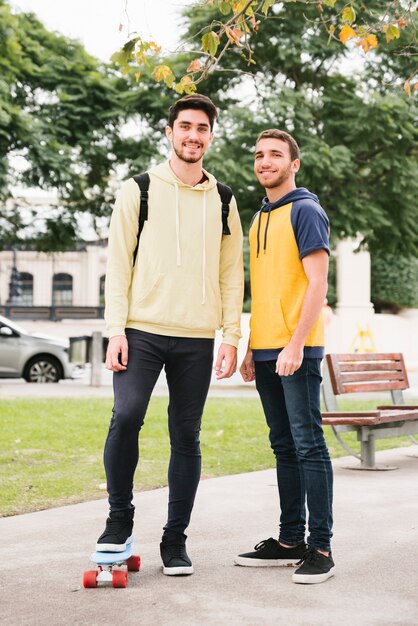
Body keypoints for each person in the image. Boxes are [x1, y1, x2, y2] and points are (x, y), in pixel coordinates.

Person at [97, 94, 244, 576]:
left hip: (197, 336)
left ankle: (175, 539)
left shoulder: (224, 199)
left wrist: (229, 335)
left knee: (187, 433)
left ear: (211, 136)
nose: (193, 135)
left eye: (202, 128)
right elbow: (117, 266)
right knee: (127, 414)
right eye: (185, 126)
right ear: (169, 132)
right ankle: (119, 519)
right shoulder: (137, 190)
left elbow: (230, 274)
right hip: (141, 330)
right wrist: (114, 329)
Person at [235, 129, 334, 584]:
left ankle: (321, 547)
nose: (264, 161)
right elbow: (265, 290)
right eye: (259, 155)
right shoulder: (259, 219)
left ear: (294, 163)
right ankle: (290, 539)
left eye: (275, 154)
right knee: (283, 446)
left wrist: (295, 343)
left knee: (308, 444)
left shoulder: (306, 210)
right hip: (269, 347)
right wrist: (255, 346)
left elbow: (318, 283)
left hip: (298, 348)